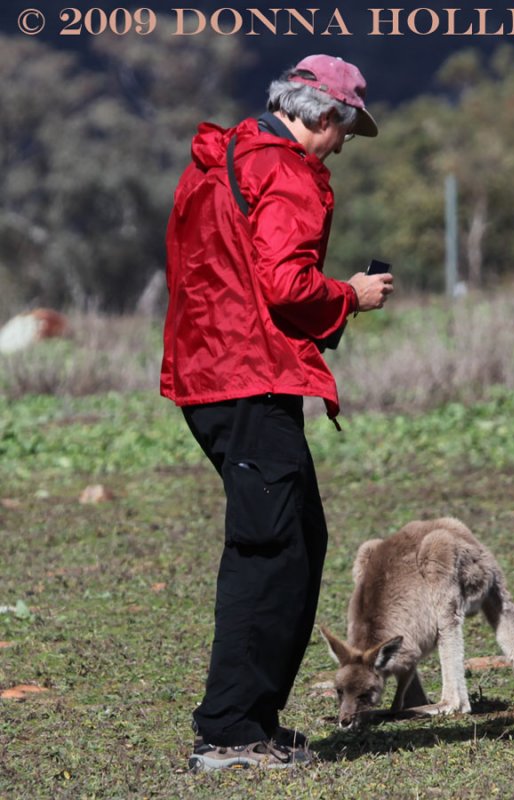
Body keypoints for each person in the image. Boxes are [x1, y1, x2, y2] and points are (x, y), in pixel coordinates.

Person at [160, 54, 393, 771]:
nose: (344, 146)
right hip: (246, 375)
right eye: (346, 131)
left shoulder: (222, 155)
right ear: (325, 115)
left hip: (208, 369)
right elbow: (288, 285)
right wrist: (350, 294)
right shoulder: (287, 170)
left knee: (290, 541)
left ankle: (249, 719)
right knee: (272, 555)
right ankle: (230, 733)